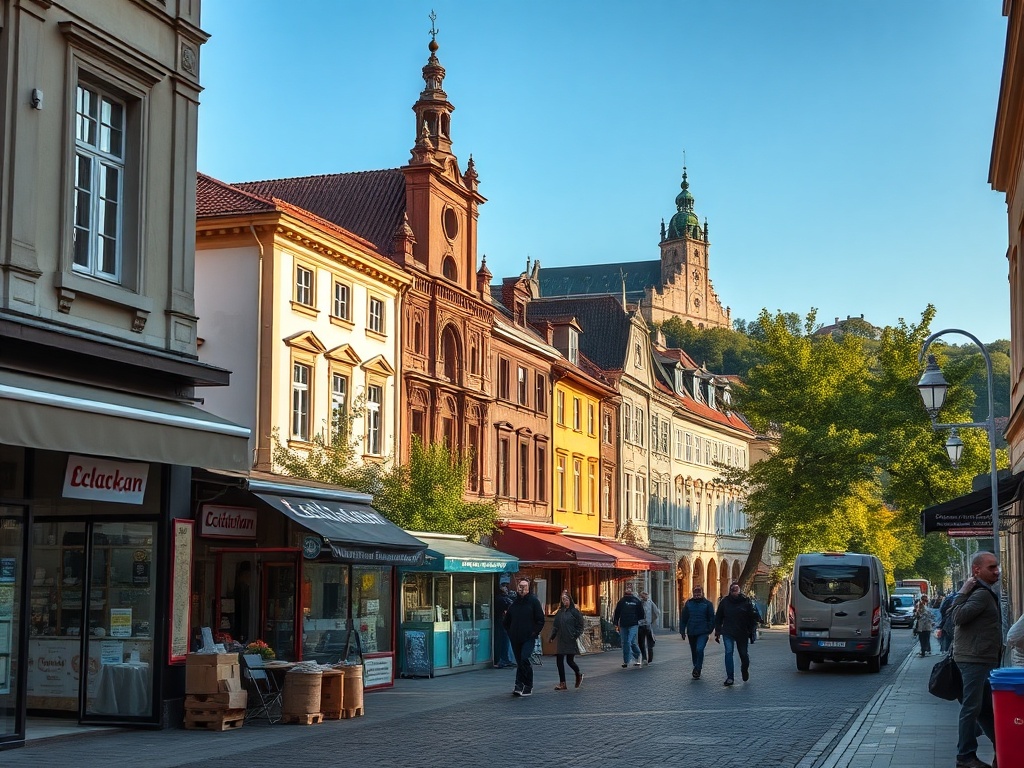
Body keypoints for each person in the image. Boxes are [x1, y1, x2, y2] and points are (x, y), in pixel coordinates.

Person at [951, 551, 1002, 768]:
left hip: (982, 658)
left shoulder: (984, 592)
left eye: (997, 566)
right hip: (974, 659)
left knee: (984, 709)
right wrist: (962, 591)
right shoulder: (979, 594)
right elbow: (957, 617)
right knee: (971, 708)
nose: (997, 571)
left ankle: (1002, 746)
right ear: (977, 570)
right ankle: (965, 756)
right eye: (991, 567)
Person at [503, 577, 545, 697]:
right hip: (515, 637)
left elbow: (540, 620)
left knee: (524, 658)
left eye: (524, 587)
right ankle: (519, 685)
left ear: (528, 588)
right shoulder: (514, 603)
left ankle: (527, 684)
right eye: (520, 587)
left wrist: (534, 632)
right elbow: (506, 621)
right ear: (517, 588)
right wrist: (510, 632)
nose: (522, 589)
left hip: (528, 637)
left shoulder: (533, 601)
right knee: (520, 662)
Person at [713, 581, 758, 686]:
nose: (734, 591)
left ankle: (744, 669)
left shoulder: (746, 601)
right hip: (728, 631)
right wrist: (718, 630)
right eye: (732, 589)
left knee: (743, 654)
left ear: (739, 590)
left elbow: (752, 617)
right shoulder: (725, 602)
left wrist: (752, 631)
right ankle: (730, 677)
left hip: (742, 632)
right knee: (728, 652)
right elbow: (719, 617)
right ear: (730, 590)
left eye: (736, 589)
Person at [549, 590, 586, 690]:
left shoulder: (575, 612)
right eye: (563, 599)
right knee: (559, 660)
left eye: (566, 599)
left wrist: (575, 634)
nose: (565, 601)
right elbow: (556, 626)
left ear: (570, 600)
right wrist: (552, 636)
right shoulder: (560, 612)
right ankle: (562, 683)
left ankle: (578, 674)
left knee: (570, 661)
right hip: (561, 638)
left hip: (570, 639)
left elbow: (580, 625)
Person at [680, 585, 715, 679]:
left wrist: (709, 629)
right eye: (695, 592)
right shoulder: (689, 604)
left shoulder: (707, 604)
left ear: (702, 593)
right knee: (694, 651)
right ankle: (696, 666)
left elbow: (712, 618)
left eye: (699, 592)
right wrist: (682, 631)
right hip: (691, 631)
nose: (697, 594)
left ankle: (698, 668)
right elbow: (684, 618)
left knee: (699, 649)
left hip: (703, 632)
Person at [612, 584, 644, 668]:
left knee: (628, 641)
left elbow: (641, 613)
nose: (628, 590)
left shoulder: (636, 601)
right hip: (624, 624)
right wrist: (615, 622)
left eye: (629, 588)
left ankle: (628, 660)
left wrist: (638, 620)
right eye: (627, 588)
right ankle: (636, 657)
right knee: (629, 642)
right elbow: (617, 613)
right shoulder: (622, 601)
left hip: (633, 624)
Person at [493, 578, 516, 668]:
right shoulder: (501, 599)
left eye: (506, 586)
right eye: (503, 586)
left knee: (506, 640)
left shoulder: (505, 598)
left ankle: (506, 659)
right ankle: (505, 659)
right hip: (502, 621)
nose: (506, 588)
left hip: (504, 621)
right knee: (504, 640)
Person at [637, 590, 662, 665]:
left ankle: (649, 659)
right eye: (643, 595)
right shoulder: (639, 603)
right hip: (641, 625)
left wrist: (652, 620)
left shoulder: (650, 603)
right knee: (642, 643)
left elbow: (656, 612)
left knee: (649, 643)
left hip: (647, 625)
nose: (644, 596)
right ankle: (645, 658)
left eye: (645, 595)